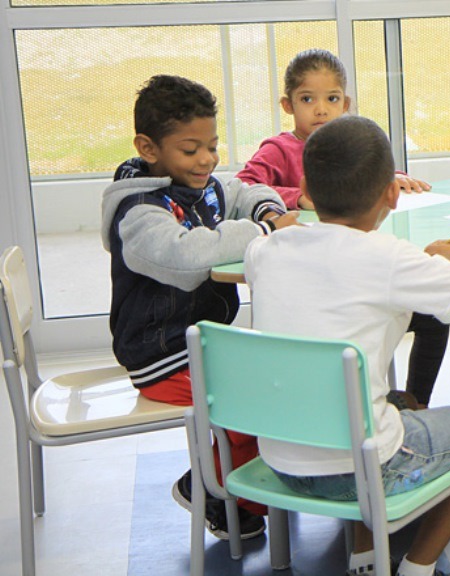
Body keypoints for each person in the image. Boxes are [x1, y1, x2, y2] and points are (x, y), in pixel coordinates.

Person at [245, 115, 450, 576]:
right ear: (392, 193)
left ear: (305, 188)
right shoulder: (389, 258)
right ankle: (417, 568)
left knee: (397, 403)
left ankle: (366, 559)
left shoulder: (265, 251)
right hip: (360, 469)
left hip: (278, 461)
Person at [100, 74, 301, 540]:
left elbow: (242, 191)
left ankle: (235, 487)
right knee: (250, 404)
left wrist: (267, 211)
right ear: (148, 149)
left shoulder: (198, 185)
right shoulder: (138, 212)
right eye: (191, 150)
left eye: (212, 146)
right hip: (162, 355)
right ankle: (214, 490)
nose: (207, 160)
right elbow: (186, 258)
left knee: (277, 377)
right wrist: (263, 232)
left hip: (202, 342)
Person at [236, 48, 448, 408]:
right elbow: (244, 186)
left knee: (432, 318)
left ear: (345, 103)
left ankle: (416, 402)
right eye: (307, 99)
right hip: (312, 276)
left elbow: (366, 173)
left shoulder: (352, 144)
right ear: (288, 105)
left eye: (332, 99)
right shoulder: (279, 149)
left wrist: (390, 178)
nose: (321, 110)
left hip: (354, 270)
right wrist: (297, 198)